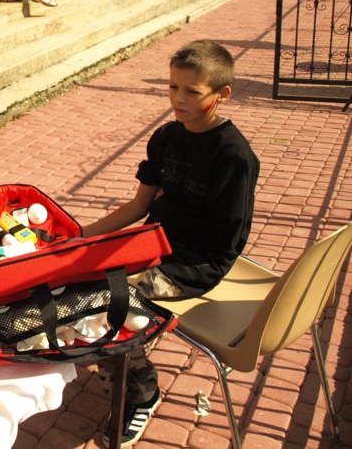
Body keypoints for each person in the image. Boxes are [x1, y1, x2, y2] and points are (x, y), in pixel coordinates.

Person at [82, 40, 260, 448]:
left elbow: (223, 240)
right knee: (76, 283)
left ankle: (142, 392)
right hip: (152, 246)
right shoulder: (165, 138)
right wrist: (79, 237)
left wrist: (169, 215)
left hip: (195, 264)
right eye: (172, 87)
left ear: (222, 94)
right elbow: (140, 205)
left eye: (192, 92)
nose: (178, 99)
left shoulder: (233, 157)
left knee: (108, 309)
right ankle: (118, 363)